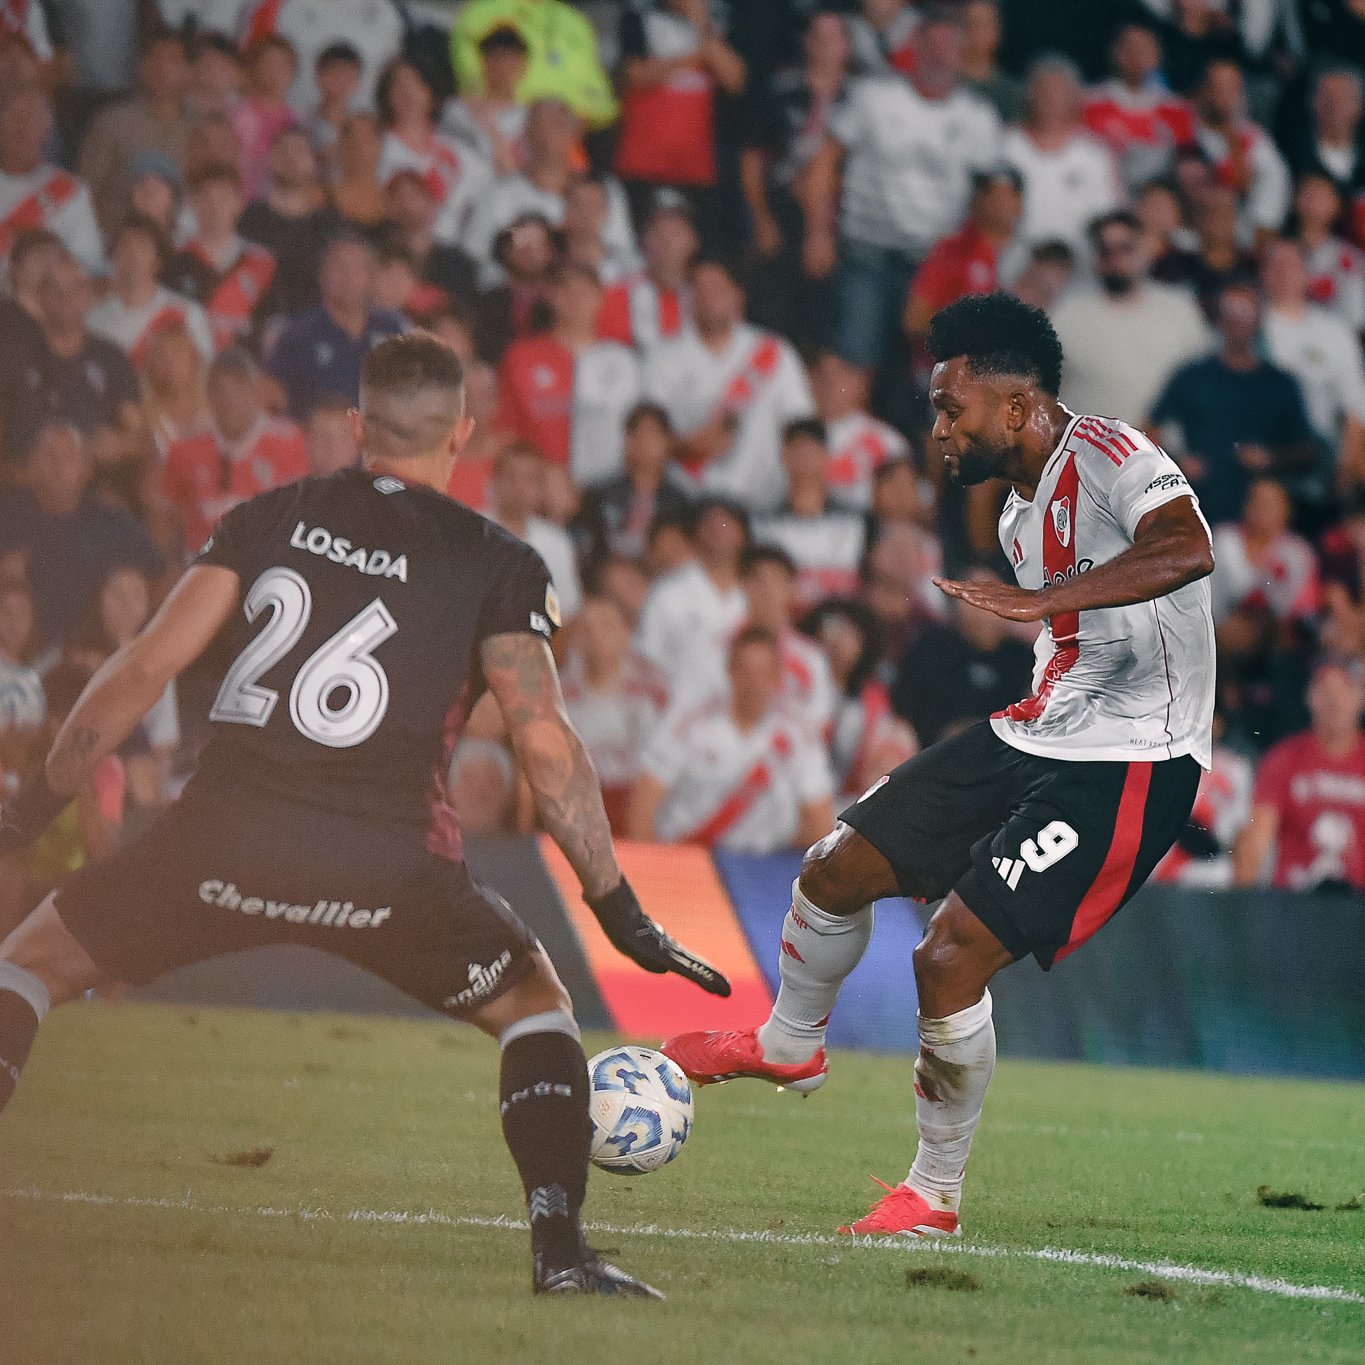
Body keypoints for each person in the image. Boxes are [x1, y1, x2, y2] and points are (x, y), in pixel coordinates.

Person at [0, 332, 728, 1297]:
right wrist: (617, 907)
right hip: (386, 868)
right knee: (534, 1007)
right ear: (461, 434)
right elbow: (544, 745)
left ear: (356, 427)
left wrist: (29, 807)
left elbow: (143, 667)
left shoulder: (266, 515)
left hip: (220, 839)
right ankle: (561, 1254)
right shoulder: (498, 561)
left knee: (28, 962)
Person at [662, 292, 1216, 1240]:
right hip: (1036, 730)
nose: (939, 428)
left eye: (949, 407)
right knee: (835, 862)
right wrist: (1044, 609)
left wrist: (1045, 602)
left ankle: (931, 1195)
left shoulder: (1115, 455)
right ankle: (789, 1042)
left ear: (1016, 406)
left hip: (1133, 758)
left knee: (948, 952)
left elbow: (1187, 547)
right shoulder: (1011, 515)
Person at [803, 7, 1001, 375]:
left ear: (962, 53)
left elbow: (993, 202)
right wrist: (818, 233)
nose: (941, 55)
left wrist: (977, 264)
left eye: (950, 47)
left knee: (931, 374)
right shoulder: (874, 97)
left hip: (936, 263)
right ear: (915, 47)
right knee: (851, 359)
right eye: (932, 45)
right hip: (866, 252)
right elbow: (824, 162)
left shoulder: (978, 118)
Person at [628, 625, 835, 853]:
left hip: (761, 867)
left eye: (763, 673)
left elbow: (820, 822)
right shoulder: (689, 725)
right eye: (745, 671)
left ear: (778, 678)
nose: (754, 683)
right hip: (688, 858)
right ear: (730, 671)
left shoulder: (798, 737)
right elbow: (643, 803)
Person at [640, 258, 813, 510]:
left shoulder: (774, 351)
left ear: (737, 296)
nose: (709, 298)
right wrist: (686, 447)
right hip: (688, 501)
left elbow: (800, 428)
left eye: (719, 289)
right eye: (699, 289)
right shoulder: (661, 358)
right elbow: (645, 440)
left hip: (765, 502)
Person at [1151, 281, 1316, 527]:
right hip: (1200, 512)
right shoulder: (1191, 377)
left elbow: (1307, 450)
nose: (1237, 320)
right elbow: (1149, 431)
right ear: (1217, 318)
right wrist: (1175, 464)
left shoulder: (1281, 384)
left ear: (1259, 319)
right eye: (1230, 311)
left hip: (1264, 521)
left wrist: (1270, 459)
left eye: (1245, 311)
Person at [740, 9, 850, 353]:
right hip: (783, 213)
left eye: (833, 37)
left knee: (826, 324)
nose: (824, 46)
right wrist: (760, 217)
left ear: (847, 45)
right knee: (775, 309)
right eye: (816, 37)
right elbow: (754, 156)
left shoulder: (861, 99)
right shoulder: (782, 90)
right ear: (805, 43)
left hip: (841, 220)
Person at [0, 422, 164, 649]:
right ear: (32, 465)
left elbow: (161, 576)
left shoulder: (112, 522)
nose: (57, 466)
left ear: (86, 469)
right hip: (23, 655)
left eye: (67, 457)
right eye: (49, 456)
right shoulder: (8, 518)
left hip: (100, 653)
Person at [1049, 209, 1210, 428]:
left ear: (1144, 251)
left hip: (1163, 453)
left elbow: (1203, 382)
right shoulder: (1066, 314)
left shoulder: (1179, 309)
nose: (1116, 258)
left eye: (1125, 248)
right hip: (1093, 452)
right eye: (1105, 250)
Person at [494, 263, 641, 488]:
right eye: (567, 291)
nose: (576, 301)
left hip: (609, 487)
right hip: (537, 487)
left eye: (585, 293)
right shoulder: (521, 357)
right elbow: (505, 429)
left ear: (600, 299)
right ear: (552, 297)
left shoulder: (623, 361)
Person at [463, 99, 637, 287]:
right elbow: (474, 257)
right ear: (526, 135)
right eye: (538, 128)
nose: (546, 137)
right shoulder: (498, 195)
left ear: (573, 134)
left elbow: (623, 255)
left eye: (556, 127)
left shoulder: (604, 191)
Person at [614, 0, 746, 243]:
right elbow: (633, 74)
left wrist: (702, 26)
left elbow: (735, 79)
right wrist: (694, 59)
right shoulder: (640, 17)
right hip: (644, 163)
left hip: (695, 165)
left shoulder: (714, 26)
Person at [162, 347, 310, 554]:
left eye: (239, 388)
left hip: (267, 561)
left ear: (256, 391)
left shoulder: (288, 441)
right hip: (202, 563)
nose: (230, 400)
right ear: (209, 395)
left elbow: (301, 512)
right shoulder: (186, 448)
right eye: (220, 390)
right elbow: (165, 517)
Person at [1233, 660, 1365, 892]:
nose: (1334, 701)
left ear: (1360, 698)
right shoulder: (1285, 758)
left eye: (1345, 690)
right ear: (1309, 698)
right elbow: (1257, 839)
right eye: (1325, 691)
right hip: (1296, 902)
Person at [0, 252, 141, 468]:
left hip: (98, 482)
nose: (65, 297)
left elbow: (138, 434)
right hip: (27, 483)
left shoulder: (110, 356)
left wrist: (121, 444)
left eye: (75, 288)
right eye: (54, 289)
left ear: (88, 296)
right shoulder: (13, 356)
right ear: (40, 297)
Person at [559, 592, 670, 835]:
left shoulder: (654, 690)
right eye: (587, 629)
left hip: (638, 802)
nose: (596, 636)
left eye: (606, 626)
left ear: (626, 634)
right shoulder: (561, 696)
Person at [891, 565, 1036, 748]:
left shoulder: (1023, 658)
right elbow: (907, 706)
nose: (979, 605)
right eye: (969, 594)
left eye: (990, 595)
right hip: (934, 752)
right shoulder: (931, 648)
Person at [265, 234, 406, 421]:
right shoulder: (298, 334)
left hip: (377, 443)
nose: (348, 277)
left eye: (357, 268)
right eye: (338, 267)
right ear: (322, 276)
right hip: (317, 442)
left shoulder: (391, 329)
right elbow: (271, 398)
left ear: (371, 277)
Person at [1002, 56, 1121, 258]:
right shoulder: (1004, 145)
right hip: (1013, 264)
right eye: (1043, 91)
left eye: (1058, 92)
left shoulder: (1095, 155)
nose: (1050, 100)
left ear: (1073, 98)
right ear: (1029, 94)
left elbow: (1107, 218)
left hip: (1078, 268)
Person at [78, 27, 191, 240]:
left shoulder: (200, 126)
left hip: (183, 242)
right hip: (117, 242)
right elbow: (87, 191)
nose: (163, 68)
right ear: (141, 67)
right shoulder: (112, 122)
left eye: (173, 60)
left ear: (188, 71)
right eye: (155, 59)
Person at [634, 495, 748, 694]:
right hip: (678, 710)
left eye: (725, 523)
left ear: (742, 534)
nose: (718, 531)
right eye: (710, 523)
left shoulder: (755, 593)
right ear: (697, 531)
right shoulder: (668, 591)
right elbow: (647, 658)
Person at [376, 58, 492, 250]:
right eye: (399, 86)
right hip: (396, 249)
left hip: (455, 255)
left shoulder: (456, 151)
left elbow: (489, 193)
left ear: (430, 92)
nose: (408, 93)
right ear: (386, 95)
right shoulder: (375, 150)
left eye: (416, 84)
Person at [904, 165, 1027, 346]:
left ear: (1018, 203)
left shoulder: (1030, 257)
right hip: (949, 364)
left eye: (997, 193)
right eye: (983, 191)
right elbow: (913, 320)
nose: (987, 199)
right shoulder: (952, 250)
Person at [450, 0, 617, 131]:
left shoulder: (574, 22)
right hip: (499, 135)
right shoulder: (481, 14)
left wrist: (569, 121)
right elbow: (473, 86)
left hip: (568, 145)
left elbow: (600, 100)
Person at [754, 419, 866, 610]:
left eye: (812, 450)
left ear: (826, 456)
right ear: (784, 456)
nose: (805, 458)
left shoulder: (856, 521)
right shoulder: (762, 523)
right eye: (797, 449)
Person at [169, 161, 277, 353]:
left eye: (224, 198)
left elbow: (271, 325)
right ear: (191, 203)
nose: (215, 207)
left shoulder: (263, 263)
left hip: (236, 366)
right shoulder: (174, 256)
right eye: (206, 198)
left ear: (239, 204)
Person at [239, 127, 345, 320]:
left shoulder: (330, 224)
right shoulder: (249, 217)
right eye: (283, 151)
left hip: (314, 322)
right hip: (254, 319)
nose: (291, 158)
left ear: (313, 162)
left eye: (299, 152)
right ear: (270, 159)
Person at [572, 402, 692, 571]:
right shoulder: (600, 493)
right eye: (637, 433)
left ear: (668, 442)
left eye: (653, 434)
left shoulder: (680, 502)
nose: (645, 442)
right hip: (607, 577)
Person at [86, 214, 215, 367]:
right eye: (125, 246)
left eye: (142, 247)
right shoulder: (93, 320)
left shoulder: (186, 314)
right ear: (113, 256)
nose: (133, 255)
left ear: (158, 260)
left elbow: (204, 373)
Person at [0, 85, 104, 276]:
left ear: (46, 131)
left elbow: (88, 265)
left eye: (30, 121)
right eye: (13, 118)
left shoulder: (71, 191)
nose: (21, 129)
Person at [1082, 21, 1195, 195]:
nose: (1137, 55)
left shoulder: (1178, 111)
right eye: (1130, 47)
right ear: (1115, 52)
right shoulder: (1090, 104)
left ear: (1158, 55)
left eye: (1144, 48)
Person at [1190, 58, 1289, 242]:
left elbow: (1272, 185)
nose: (1223, 96)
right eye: (1216, 87)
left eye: (1231, 88)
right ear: (1201, 89)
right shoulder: (1182, 126)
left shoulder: (1254, 138)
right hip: (1186, 230)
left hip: (1239, 238)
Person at [488, 441, 582, 622]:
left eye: (529, 479)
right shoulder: (471, 532)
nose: (519, 487)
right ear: (495, 481)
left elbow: (569, 612)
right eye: (511, 477)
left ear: (540, 489)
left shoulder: (556, 542)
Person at [809, 350, 909, 511]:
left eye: (843, 372)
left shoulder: (887, 440)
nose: (831, 383)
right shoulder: (794, 434)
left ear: (863, 380)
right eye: (822, 373)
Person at [596, 201, 697, 353]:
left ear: (692, 241)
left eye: (675, 232)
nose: (666, 241)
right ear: (644, 241)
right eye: (658, 233)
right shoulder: (613, 297)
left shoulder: (703, 299)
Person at [441, 24, 531, 177]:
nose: (501, 66)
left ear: (522, 64)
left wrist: (489, 128)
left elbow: (515, 173)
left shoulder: (528, 119)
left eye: (509, 59)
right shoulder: (456, 109)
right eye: (494, 56)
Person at [231, 33, 300, 200]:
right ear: (254, 67)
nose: (275, 72)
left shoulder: (298, 120)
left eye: (282, 66)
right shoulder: (236, 114)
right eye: (268, 64)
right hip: (241, 197)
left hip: (282, 202)